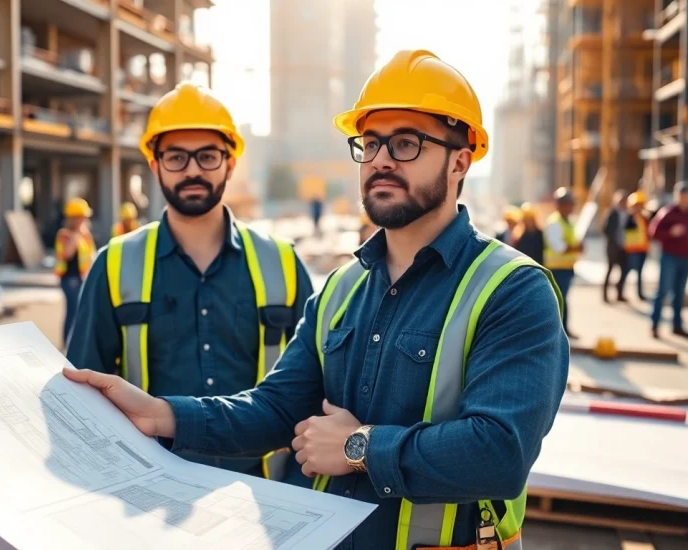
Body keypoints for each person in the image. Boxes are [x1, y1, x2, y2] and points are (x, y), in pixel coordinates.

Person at [65, 50, 569, 550]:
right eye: (370, 144)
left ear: (461, 160)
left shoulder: (512, 289)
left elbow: (501, 453)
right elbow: (278, 407)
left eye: (407, 143)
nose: (382, 160)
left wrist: (360, 448)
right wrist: (161, 415)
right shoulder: (341, 289)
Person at [65, 82, 315, 484]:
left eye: (208, 156)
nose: (193, 170)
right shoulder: (115, 263)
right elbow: (83, 396)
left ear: (230, 164)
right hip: (150, 491)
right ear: (155, 164)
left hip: (264, 491)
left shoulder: (281, 261)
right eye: (177, 157)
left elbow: (317, 390)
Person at [54, 197, 96, 346]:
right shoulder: (64, 234)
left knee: (82, 312)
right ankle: (67, 345)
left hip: (81, 277)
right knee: (72, 311)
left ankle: (77, 343)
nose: (83, 220)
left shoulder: (85, 234)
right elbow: (68, 254)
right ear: (73, 218)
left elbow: (91, 255)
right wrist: (76, 236)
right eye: (81, 217)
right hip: (69, 278)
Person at [649, 182, 688, 339]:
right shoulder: (667, 212)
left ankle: (677, 325)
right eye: (682, 197)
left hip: (685, 258)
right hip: (669, 257)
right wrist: (670, 233)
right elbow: (653, 232)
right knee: (663, 291)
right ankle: (654, 325)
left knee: (679, 293)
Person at [544, 187, 582, 338]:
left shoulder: (569, 222)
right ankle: (560, 331)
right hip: (556, 268)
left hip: (567, 267)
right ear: (560, 205)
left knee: (563, 300)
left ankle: (561, 330)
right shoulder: (554, 222)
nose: (571, 207)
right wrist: (575, 247)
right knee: (559, 301)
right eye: (568, 204)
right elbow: (559, 247)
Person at [620, 191, 649, 301]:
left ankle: (640, 293)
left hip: (643, 249)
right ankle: (620, 291)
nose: (639, 207)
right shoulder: (629, 218)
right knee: (627, 271)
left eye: (641, 205)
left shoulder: (644, 218)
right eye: (637, 205)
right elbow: (626, 229)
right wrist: (634, 219)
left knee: (640, 273)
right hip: (632, 250)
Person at [601, 190, 629, 303]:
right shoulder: (612, 213)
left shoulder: (628, 213)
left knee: (624, 271)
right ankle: (605, 295)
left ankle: (619, 293)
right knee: (610, 270)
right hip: (613, 247)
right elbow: (605, 229)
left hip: (625, 247)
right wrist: (613, 240)